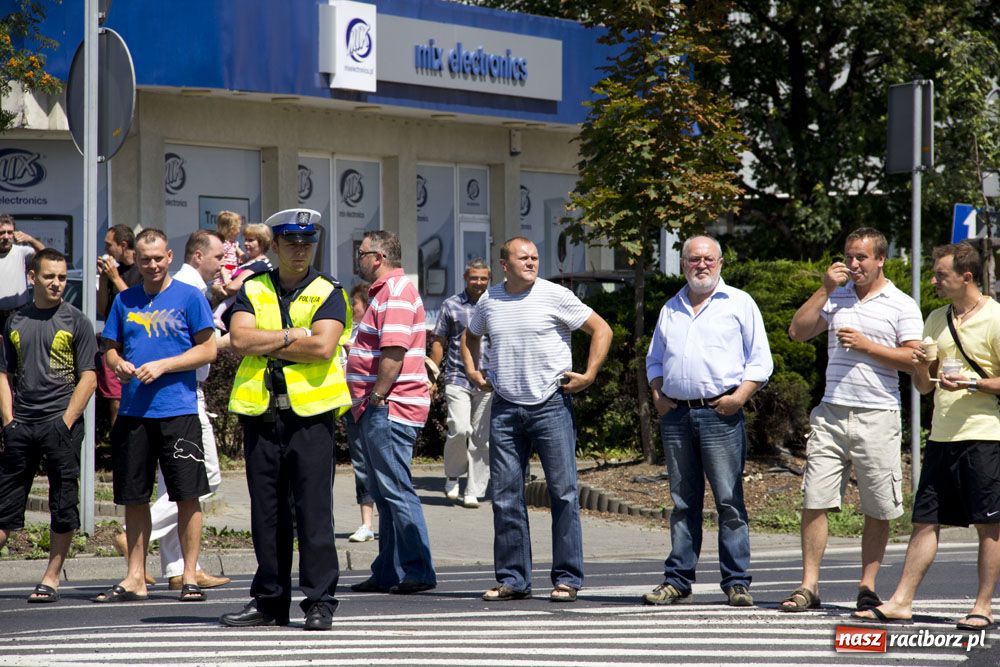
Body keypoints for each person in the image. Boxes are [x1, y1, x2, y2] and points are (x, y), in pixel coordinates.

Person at [854, 242, 1000, 630]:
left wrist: (975, 383)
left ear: (966, 277)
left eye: (941, 274)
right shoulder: (937, 317)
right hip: (941, 436)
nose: (933, 280)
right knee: (925, 520)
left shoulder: (996, 318)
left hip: (986, 435)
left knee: (989, 524)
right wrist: (921, 366)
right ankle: (901, 601)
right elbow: (923, 386)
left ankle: (982, 606)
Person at [461, 236, 612, 603]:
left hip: (551, 405)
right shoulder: (490, 300)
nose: (531, 263)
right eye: (523, 257)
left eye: (535, 257)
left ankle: (567, 579)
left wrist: (590, 374)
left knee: (563, 492)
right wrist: (472, 371)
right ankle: (513, 579)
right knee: (507, 496)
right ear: (504, 265)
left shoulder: (554, 295)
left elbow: (601, 329)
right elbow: (469, 337)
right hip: (505, 408)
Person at [221, 208, 351, 631]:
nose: (300, 250)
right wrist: (293, 335)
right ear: (274, 246)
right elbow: (239, 339)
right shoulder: (253, 288)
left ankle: (319, 601)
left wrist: (269, 342)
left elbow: (322, 348)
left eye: (307, 243)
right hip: (262, 414)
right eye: (292, 243)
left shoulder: (329, 290)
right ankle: (269, 601)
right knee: (267, 514)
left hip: (310, 417)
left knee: (314, 513)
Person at [782, 227, 922, 613]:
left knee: (877, 506)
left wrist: (867, 346)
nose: (854, 264)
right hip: (831, 411)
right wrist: (824, 289)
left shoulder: (901, 303)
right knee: (815, 498)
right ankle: (809, 585)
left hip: (878, 414)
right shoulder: (836, 296)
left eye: (862, 257)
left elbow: (913, 359)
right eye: (849, 256)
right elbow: (797, 332)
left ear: (880, 260)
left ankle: (867, 585)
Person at [641, 235, 773, 607]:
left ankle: (736, 582)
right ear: (683, 264)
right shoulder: (671, 307)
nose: (701, 265)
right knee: (683, 502)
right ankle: (678, 580)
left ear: (721, 263)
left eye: (708, 259)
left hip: (720, 414)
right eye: (694, 259)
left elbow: (760, 361)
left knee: (729, 500)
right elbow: (655, 359)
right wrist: (657, 393)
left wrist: (739, 398)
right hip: (677, 415)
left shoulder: (740, 303)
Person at [95, 228, 216, 604]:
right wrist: (118, 365)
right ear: (138, 259)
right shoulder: (125, 300)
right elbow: (110, 351)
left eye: (158, 258)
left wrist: (164, 365)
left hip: (178, 411)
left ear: (169, 257)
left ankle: (190, 574)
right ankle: (135, 577)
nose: (151, 265)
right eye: (145, 259)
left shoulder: (189, 297)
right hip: (133, 412)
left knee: (187, 495)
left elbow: (209, 350)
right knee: (134, 497)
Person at [0, 248, 97, 603]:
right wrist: (9, 421)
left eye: (61, 277)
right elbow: (3, 373)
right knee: (5, 504)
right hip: (21, 426)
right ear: (32, 278)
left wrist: (66, 421)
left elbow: (89, 378)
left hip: (61, 425)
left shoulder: (77, 320)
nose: (57, 283)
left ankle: (51, 577)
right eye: (49, 277)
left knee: (63, 503)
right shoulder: (15, 321)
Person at [346, 230, 436, 595]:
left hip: (389, 407)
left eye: (362, 253)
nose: (359, 259)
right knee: (385, 492)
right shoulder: (386, 294)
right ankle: (387, 570)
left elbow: (394, 353)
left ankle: (418, 570)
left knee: (396, 490)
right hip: (380, 407)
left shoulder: (396, 293)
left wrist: (377, 398)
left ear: (378, 257)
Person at [429, 258, 492, 508]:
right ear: (466, 278)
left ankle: (474, 490)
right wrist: (432, 375)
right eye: (474, 277)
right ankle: (453, 475)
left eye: (483, 278)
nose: (479, 282)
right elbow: (438, 340)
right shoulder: (451, 305)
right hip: (457, 376)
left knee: (481, 438)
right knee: (460, 428)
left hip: (488, 380)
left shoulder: (496, 305)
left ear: (489, 280)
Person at [97, 224, 143, 427]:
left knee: (135, 397)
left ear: (123, 245)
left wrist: (115, 278)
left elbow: (137, 308)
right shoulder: (114, 271)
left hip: (134, 344)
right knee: (115, 401)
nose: (106, 251)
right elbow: (102, 309)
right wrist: (105, 278)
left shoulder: (141, 271)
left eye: (109, 246)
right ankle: (119, 450)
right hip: (113, 345)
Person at [344, 281, 376, 543]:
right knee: (361, 465)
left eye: (354, 303)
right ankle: (366, 524)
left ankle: (387, 521)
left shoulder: (376, 331)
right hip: (351, 405)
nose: (351, 307)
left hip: (374, 405)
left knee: (380, 464)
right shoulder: (347, 331)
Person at [0, 214, 45, 332]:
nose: (6, 236)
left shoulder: (21, 252)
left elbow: (45, 254)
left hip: (19, 313)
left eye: (10, 232)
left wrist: (30, 239)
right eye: (2, 232)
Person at [215, 210, 245, 285]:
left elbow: (242, 255)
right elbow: (221, 264)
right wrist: (226, 278)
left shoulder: (234, 243)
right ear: (232, 229)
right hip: (225, 274)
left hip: (233, 271)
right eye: (238, 228)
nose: (239, 231)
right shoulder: (222, 244)